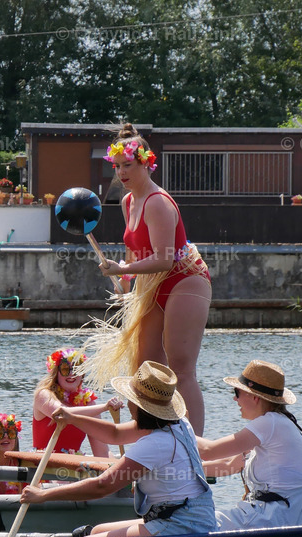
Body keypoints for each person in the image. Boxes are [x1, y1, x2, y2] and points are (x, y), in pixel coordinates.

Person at [83, 123, 212, 435]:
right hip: (152, 284)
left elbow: (165, 257)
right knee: (144, 371)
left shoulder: (158, 202)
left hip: (185, 280)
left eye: (128, 165)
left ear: (146, 164)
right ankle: (153, 441)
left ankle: (195, 449)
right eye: (117, 167)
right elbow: (136, 250)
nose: (122, 173)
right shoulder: (128, 202)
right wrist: (125, 280)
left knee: (181, 369)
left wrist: (122, 270)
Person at [20, 361, 216, 537]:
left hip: (180, 524)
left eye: (129, 397)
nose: (127, 402)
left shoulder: (155, 443)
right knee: (96, 531)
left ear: (139, 406)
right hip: (192, 516)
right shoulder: (179, 423)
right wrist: (72, 417)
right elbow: (114, 434)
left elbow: (102, 486)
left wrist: (43, 496)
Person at [197, 360, 302, 530]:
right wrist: (173, 474)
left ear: (254, 397)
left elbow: (208, 451)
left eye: (237, 392)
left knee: (189, 524)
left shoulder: (269, 423)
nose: (234, 398)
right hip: (275, 518)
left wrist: (176, 424)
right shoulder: (282, 424)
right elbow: (229, 465)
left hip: (265, 519)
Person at [32, 348, 121, 457]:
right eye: (65, 369)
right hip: (41, 464)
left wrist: (117, 468)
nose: (71, 374)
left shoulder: (88, 403)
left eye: (76, 369)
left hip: (71, 467)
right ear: (56, 373)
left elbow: (102, 452)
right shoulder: (44, 395)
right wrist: (105, 407)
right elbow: (62, 413)